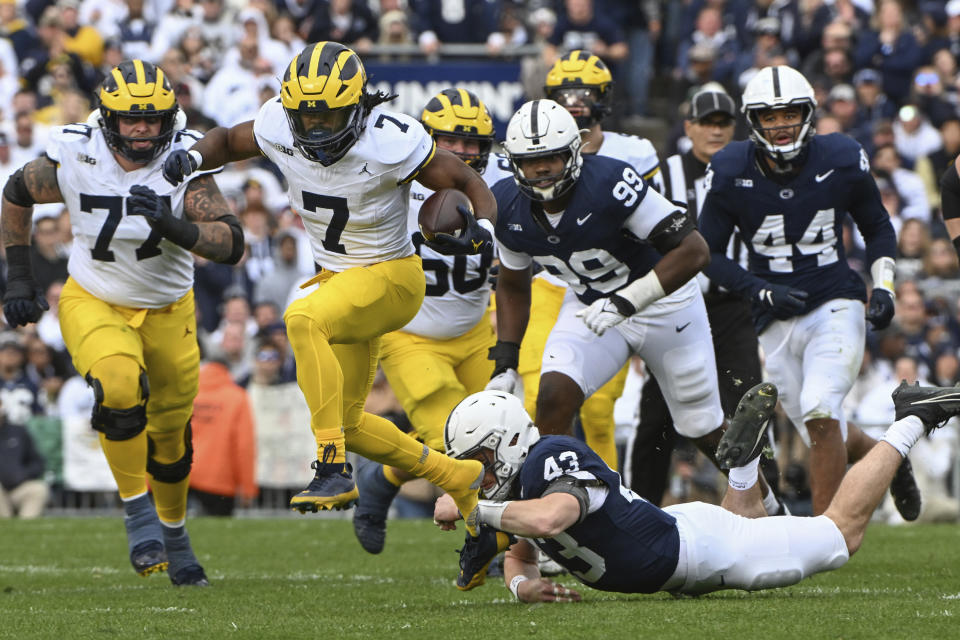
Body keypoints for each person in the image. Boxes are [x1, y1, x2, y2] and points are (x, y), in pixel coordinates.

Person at [161, 41, 495, 535]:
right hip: (340, 279)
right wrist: (191, 157)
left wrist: (483, 230)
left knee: (300, 316)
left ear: (359, 109)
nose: (316, 129)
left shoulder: (391, 140)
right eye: (307, 118)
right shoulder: (279, 123)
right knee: (349, 422)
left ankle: (331, 467)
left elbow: (466, 178)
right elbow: (229, 140)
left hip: (391, 277)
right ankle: (459, 477)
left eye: (329, 118)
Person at [1, 59, 246, 586]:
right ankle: (138, 514)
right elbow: (16, 192)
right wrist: (18, 278)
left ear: (170, 118)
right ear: (107, 117)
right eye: (131, 119)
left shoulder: (186, 158)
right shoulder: (76, 149)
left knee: (171, 439)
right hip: (95, 297)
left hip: (169, 310)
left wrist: (173, 225)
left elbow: (231, 241)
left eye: (153, 119)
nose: (142, 129)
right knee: (115, 386)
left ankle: (176, 535)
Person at [488, 99, 781, 512]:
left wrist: (628, 300)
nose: (542, 170)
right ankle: (566, 519)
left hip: (664, 303)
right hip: (591, 306)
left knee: (700, 425)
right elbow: (514, 284)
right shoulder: (507, 205)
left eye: (552, 157)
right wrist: (505, 360)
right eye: (531, 160)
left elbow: (693, 251)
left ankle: (769, 502)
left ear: (574, 151)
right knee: (552, 398)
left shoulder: (609, 181)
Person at [433, 382, 960, 601]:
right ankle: (744, 468)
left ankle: (914, 416)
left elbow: (549, 519)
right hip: (684, 543)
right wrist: (525, 588)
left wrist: (476, 508)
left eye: (476, 462)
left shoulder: (549, 457)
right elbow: (521, 555)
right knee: (745, 527)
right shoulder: (526, 481)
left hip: (696, 551)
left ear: (504, 445)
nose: (474, 476)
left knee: (843, 534)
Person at [697, 65, 902, 516]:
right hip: (772, 314)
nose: (782, 124)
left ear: (809, 113)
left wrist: (884, 285)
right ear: (754, 122)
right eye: (770, 116)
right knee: (820, 427)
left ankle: (827, 529)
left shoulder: (842, 157)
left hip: (834, 297)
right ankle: (887, 456)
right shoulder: (731, 169)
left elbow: (877, 226)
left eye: (790, 112)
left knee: (820, 408)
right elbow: (705, 252)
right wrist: (760, 291)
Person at [352, 88, 511, 554]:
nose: (462, 153)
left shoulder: (502, 185)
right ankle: (492, 546)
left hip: (476, 330)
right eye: (451, 142)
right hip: (410, 335)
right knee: (460, 442)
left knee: (505, 436)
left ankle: (384, 478)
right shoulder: (395, 184)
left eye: (473, 144)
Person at [507, 50, 664, 471]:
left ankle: (610, 504)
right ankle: (553, 488)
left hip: (615, 288)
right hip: (553, 283)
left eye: (585, 93)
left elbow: (662, 231)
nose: (575, 102)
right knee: (539, 397)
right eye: (565, 93)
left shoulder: (634, 152)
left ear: (604, 98)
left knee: (598, 411)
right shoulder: (530, 150)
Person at [631, 88, 764, 504]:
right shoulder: (663, 172)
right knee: (656, 418)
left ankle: (768, 508)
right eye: (706, 122)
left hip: (731, 309)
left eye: (723, 123)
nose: (715, 130)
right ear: (688, 127)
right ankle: (643, 509)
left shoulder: (752, 169)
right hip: (676, 312)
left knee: (750, 409)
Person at [0, 395, 49, 519]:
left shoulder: (18, 431)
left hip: (18, 487)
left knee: (39, 489)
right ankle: (5, 524)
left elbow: (37, 463)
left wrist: (23, 474)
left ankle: (25, 528)